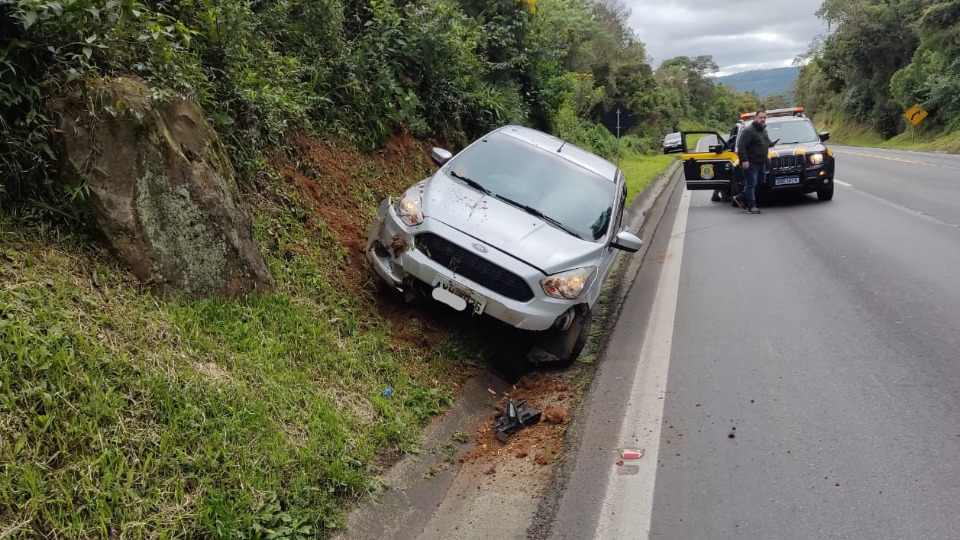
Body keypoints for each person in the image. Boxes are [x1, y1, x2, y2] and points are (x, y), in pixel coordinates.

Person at [734, 111, 775, 214]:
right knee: (751, 184)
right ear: (755, 118)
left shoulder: (763, 129)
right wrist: (744, 160)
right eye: (761, 117)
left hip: (761, 162)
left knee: (760, 181)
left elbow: (764, 140)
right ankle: (752, 207)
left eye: (765, 117)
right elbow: (741, 146)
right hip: (751, 162)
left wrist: (770, 143)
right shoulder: (749, 131)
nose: (763, 119)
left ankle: (741, 197)